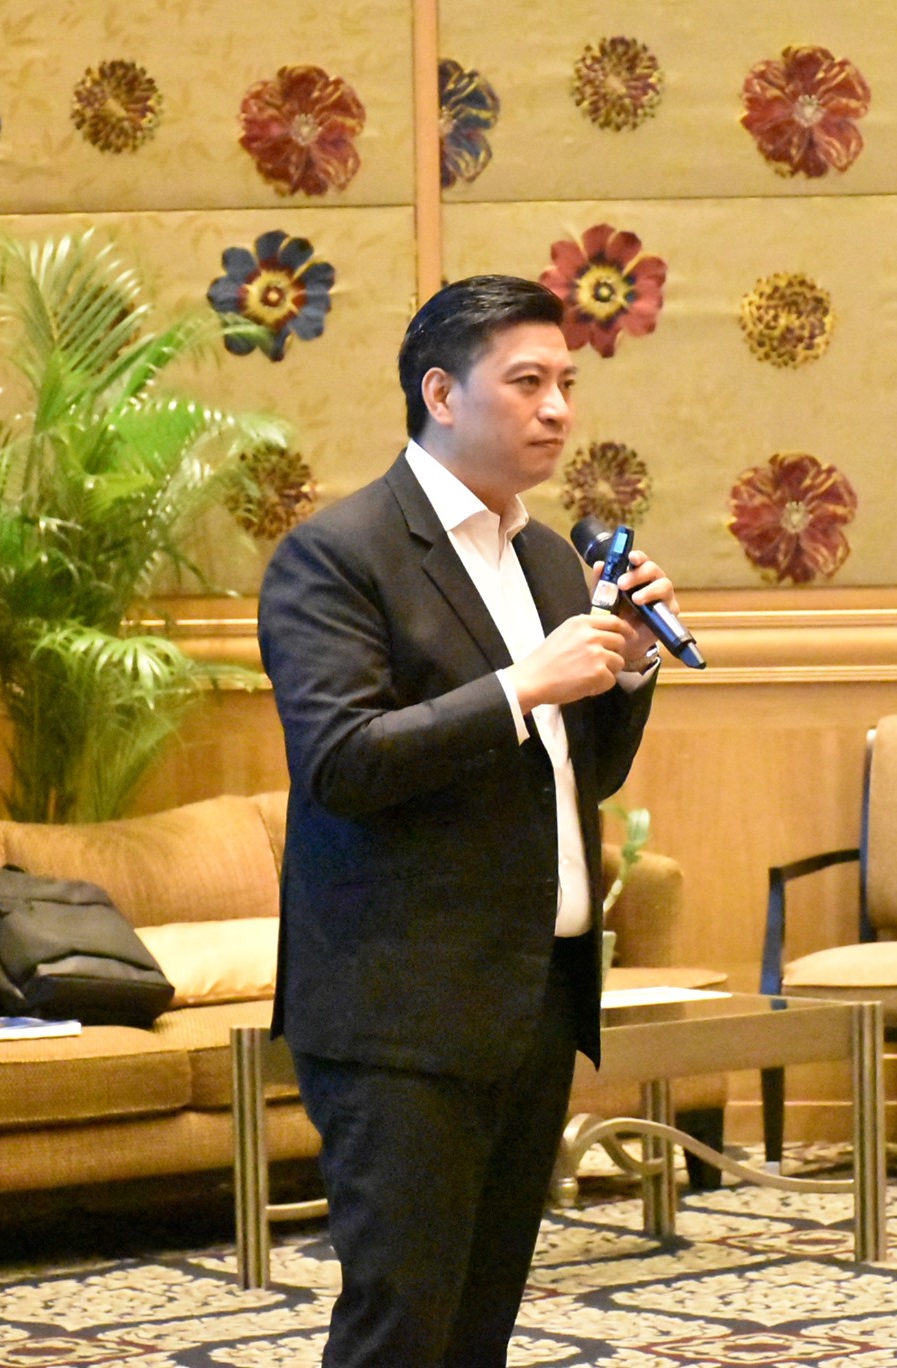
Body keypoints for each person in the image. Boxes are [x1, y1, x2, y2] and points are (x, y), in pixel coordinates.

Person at [257, 274, 675, 1366]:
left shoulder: (546, 558)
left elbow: (574, 776)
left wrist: (626, 671)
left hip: (530, 996)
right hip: (402, 1011)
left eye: (566, 383)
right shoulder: (338, 554)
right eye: (527, 383)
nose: (558, 410)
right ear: (440, 394)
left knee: (478, 1325)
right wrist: (522, 685)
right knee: (402, 1325)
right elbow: (342, 763)